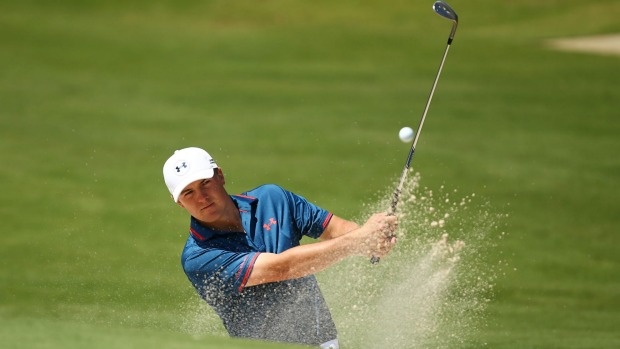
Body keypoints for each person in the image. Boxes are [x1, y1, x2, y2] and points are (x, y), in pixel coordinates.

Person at [163, 147, 397, 348]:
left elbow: (337, 229)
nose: (202, 197)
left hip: (325, 342)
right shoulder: (198, 257)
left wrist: (371, 240)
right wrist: (357, 241)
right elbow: (281, 268)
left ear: (220, 176)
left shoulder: (272, 198)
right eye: (188, 192)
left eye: (205, 183)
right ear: (180, 203)